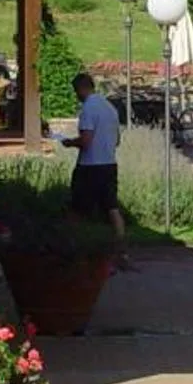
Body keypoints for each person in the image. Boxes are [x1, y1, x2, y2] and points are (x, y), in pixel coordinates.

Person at [62, 71, 128, 259]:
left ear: (81, 89)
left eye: (76, 92)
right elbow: (117, 141)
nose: (77, 96)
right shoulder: (110, 108)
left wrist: (70, 143)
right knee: (112, 208)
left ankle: (71, 246)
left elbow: (86, 140)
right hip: (109, 164)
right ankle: (121, 248)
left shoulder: (88, 109)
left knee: (76, 208)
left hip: (89, 166)